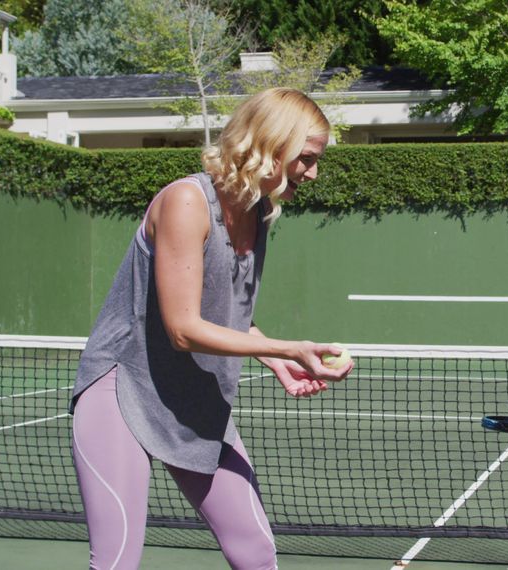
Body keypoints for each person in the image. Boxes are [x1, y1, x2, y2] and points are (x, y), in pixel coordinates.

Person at [69, 88, 351, 570]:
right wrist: (292, 346)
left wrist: (277, 360)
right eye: (305, 158)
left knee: (256, 551)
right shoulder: (186, 201)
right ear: (270, 144)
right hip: (123, 391)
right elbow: (183, 328)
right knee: (116, 561)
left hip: (195, 397)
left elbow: (226, 313)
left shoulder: (259, 213)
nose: (313, 172)